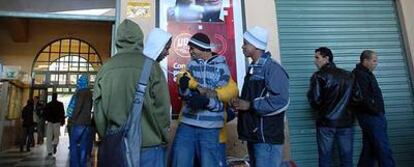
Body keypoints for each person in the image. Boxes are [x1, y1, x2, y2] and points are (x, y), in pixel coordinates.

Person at [94, 20, 172, 167]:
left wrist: (108, 136)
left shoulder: (106, 69)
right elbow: (162, 109)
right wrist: (162, 136)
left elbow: (99, 112)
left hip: (117, 146)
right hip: (149, 147)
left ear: (117, 40)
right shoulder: (152, 67)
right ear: (140, 38)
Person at [170, 32, 233, 167]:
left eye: (192, 48)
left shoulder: (222, 68)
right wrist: (184, 88)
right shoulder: (191, 66)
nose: (190, 51)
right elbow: (185, 95)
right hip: (187, 124)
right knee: (179, 162)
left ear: (203, 48)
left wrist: (206, 102)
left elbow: (222, 99)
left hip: (210, 129)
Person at [230, 26, 289, 167]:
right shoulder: (254, 68)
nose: (242, 46)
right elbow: (253, 98)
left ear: (256, 46)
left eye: (246, 43)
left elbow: (281, 101)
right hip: (255, 136)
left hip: (266, 138)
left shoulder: (273, 69)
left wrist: (250, 105)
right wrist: (240, 104)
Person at [307, 47, 354, 167]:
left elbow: (315, 101)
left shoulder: (319, 76)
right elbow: (357, 98)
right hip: (346, 123)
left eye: (317, 57)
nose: (315, 61)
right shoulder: (348, 75)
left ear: (326, 58)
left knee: (325, 157)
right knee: (346, 157)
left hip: (326, 124)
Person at [352, 50, 395, 167]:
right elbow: (362, 98)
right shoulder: (359, 75)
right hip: (371, 117)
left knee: (369, 151)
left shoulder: (367, 73)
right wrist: (376, 111)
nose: (376, 63)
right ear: (365, 61)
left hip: (373, 116)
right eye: (374, 60)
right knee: (383, 149)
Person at [68, 75, 93, 167]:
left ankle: (75, 164)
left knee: (73, 144)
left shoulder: (80, 92)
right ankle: (83, 164)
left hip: (78, 122)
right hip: (87, 123)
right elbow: (90, 107)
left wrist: (72, 119)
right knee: (83, 145)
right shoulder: (90, 93)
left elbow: (78, 107)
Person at [43, 92, 65, 157]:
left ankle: (49, 151)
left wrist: (46, 119)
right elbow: (62, 113)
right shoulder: (60, 104)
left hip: (50, 122)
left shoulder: (48, 104)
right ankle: (55, 144)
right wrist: (62, 121)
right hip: (57, 122)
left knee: (49, 137)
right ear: (56, 97)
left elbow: (45, 114)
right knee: (56, 135)